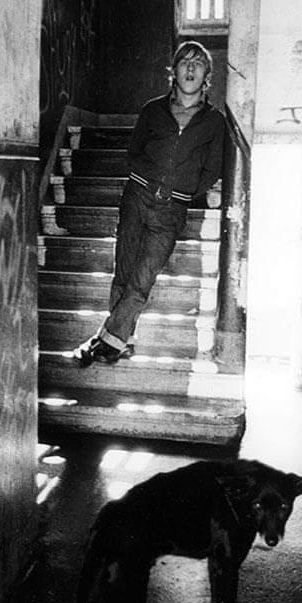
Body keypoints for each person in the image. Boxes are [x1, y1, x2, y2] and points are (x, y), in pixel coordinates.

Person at [74, 40, 225, 366]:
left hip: (171, 210)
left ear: (206, 75)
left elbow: (213, 168)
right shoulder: (153, 109)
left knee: (142, 281)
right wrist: (146, 179)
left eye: (197, 63)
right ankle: (121, 340)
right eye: (184, 61)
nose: (190, 68)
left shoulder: (214, 121)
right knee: (123, 273)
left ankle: (105, 340)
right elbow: (135, 152)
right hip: (137, 198)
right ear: (175, 71)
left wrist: (183, 191)